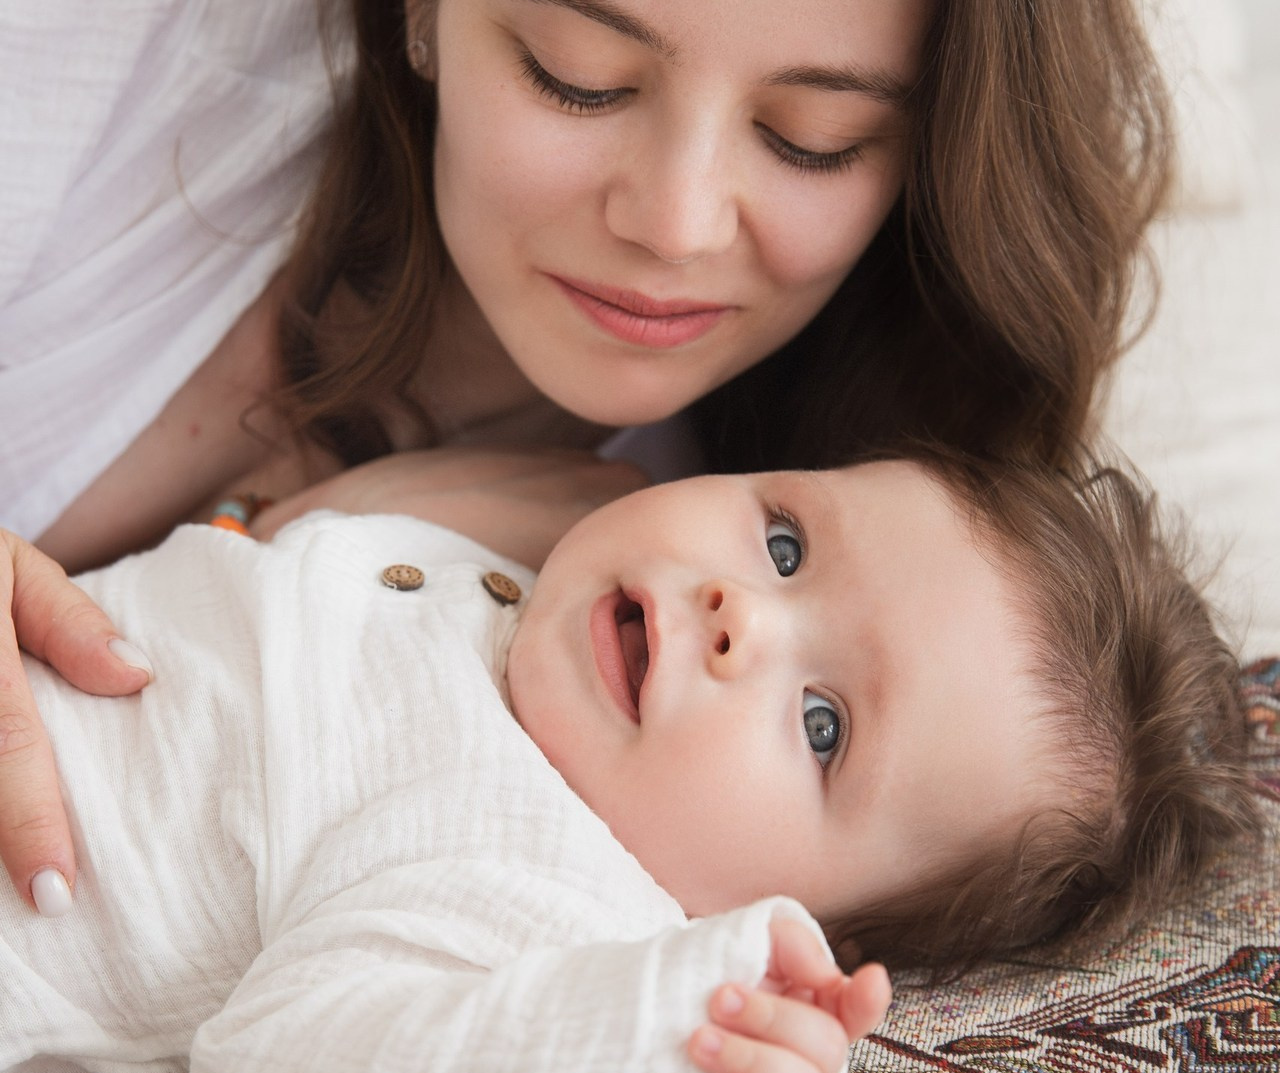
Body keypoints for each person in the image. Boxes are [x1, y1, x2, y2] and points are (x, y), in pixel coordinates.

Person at [0, 0, 1174, 909]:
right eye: (578, 76)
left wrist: (291, 538)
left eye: (811, 140)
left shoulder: (783, 610)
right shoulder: (105, 51)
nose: (673, 224)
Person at [0, 445, 1258, 1073]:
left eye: (823, 725)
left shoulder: (543, 889)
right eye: (784, 542)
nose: (739, 611)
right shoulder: (522, 589)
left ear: (799, 922)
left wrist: (656, 1047)